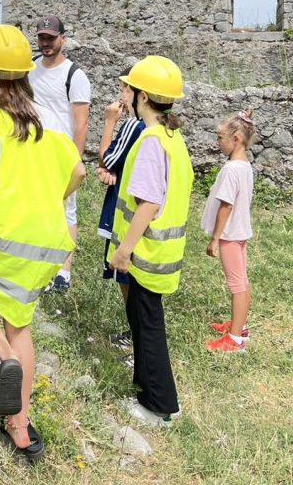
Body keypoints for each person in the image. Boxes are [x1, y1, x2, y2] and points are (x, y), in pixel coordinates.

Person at [0, 25, 85, 460]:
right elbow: (78, 173)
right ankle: (20, 427)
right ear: (25, 74)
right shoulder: (44, 119)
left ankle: (4, 356)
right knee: (20, 322)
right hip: (45, 242)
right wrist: (49, 198)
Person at [107, 56, 193, 428]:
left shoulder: (150, 142)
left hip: (144, 253)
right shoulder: (173, 138)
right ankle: (148, 390)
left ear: (142, 95)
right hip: (163, 253)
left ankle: (160, 405)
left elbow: (149, 203)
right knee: (143, 323)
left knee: (148, 326)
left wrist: (124, 249)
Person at [28, 15, 91, 292]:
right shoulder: (29, 68)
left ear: (62, 38)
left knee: (67, 211)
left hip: (61, 154)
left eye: (51, 38)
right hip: (32, 150)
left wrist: (74, 159)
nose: (45, 43)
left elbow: (81, 123)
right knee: (36, 209)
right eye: (42, 37)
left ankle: (64, 271)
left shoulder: (74, 76)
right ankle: (39, 265)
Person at [95, 72, 146, 352]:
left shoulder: (131, 125)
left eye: (124, 90)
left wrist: (109, 122)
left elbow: (107, 156)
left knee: (126, 277)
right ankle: (136, 331)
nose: (121, 96)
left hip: (122, 208)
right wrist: (108, 170)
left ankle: (137, 336)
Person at [202, 109, 256, 352]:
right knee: (242, 281)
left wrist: (215, 238)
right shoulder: (244, 166)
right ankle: (239, 325)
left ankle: (235, 339)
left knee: (236, 285)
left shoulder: (231, 170)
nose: (218, 142)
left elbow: (226, 204)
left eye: (220, 137)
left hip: (230, 235)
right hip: (241, 231)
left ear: (236, 139)